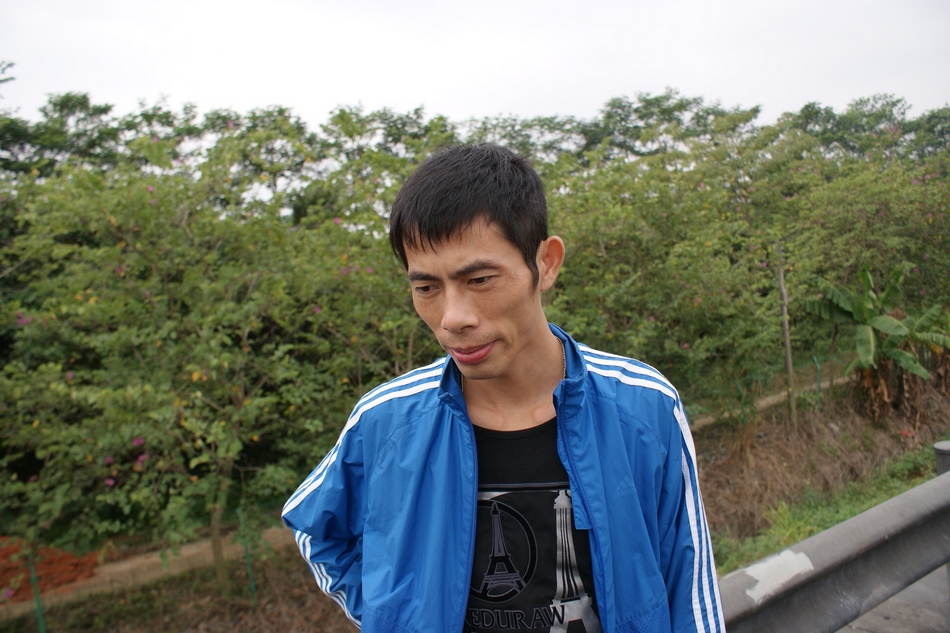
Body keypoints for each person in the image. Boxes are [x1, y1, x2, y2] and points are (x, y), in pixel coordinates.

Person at [282, 144, 725, 633]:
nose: (453, 318)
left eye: (479, 279)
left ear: (546, 263)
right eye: (426, 288)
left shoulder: (642, 406)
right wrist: (393, 617)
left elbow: (689, 584)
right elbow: (314, 528)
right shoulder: (386, 420)